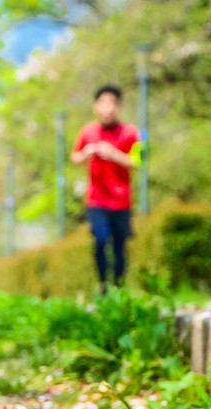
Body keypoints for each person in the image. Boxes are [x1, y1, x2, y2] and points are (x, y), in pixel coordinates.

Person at [70, 84, 140, 290]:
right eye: (103, 103)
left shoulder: (130, 132)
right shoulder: (88, 132)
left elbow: (137, 163)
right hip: (96, 199)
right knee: (100, 239)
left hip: (121, 199)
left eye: (112, 104)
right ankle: (102, 284)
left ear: (118, 107)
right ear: (96, 107)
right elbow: (75, 157)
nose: (108, 108)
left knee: (120, 245)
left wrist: (113, 154)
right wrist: (87, 153)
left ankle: (118, 286)